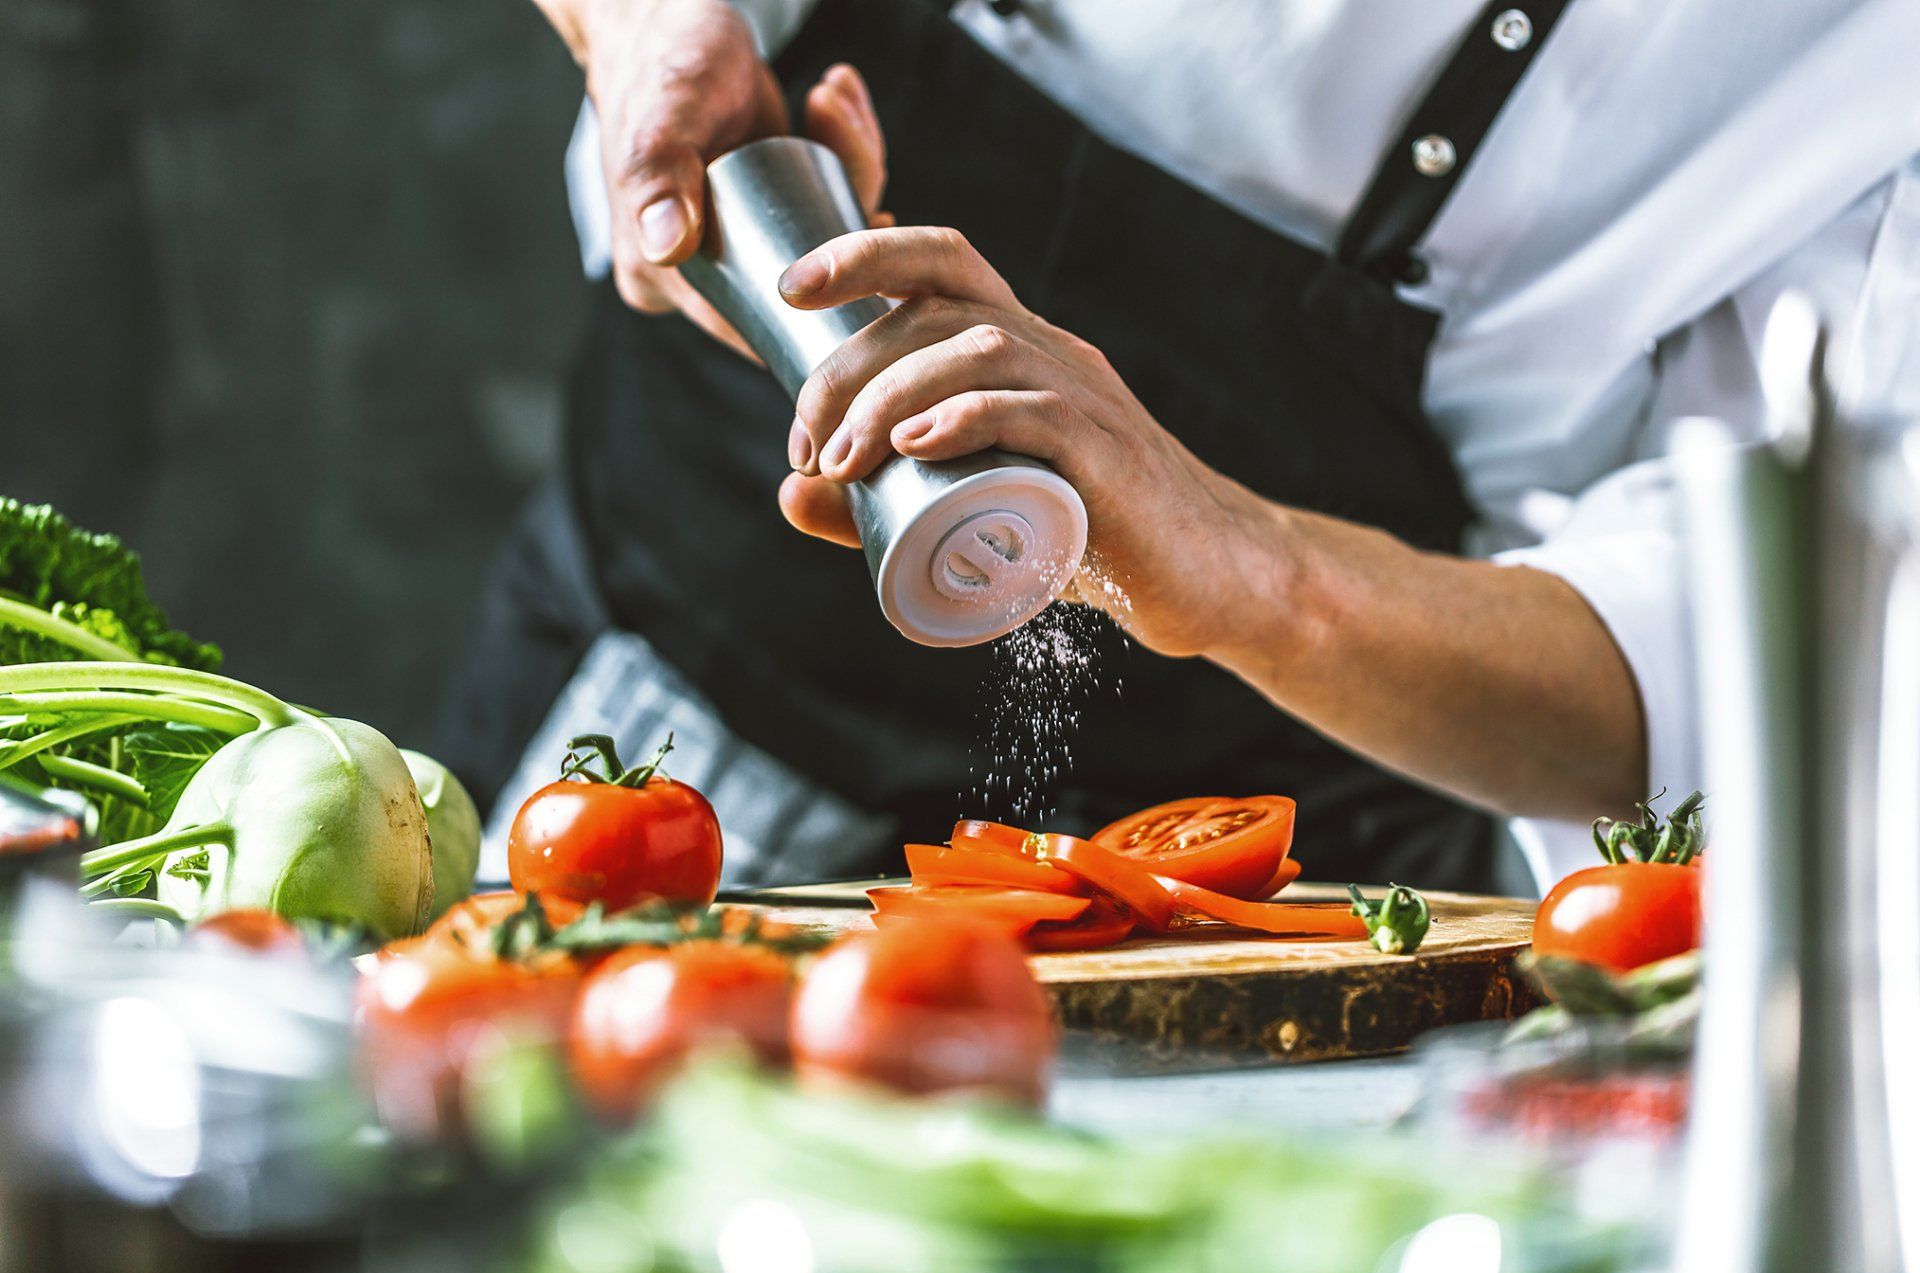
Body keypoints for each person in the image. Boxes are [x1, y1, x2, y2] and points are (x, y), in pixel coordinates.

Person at [435, 0, 1920, 894]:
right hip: (663, 731)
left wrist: (1242, 566)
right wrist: (645, 33)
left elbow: (1723, 653)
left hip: (1242, 876)